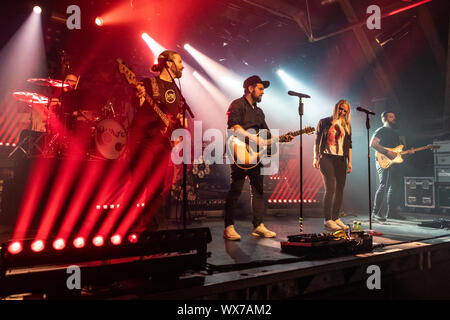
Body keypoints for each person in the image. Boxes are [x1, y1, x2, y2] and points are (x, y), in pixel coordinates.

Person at [223, 75, 292, 241]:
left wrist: (281, 139)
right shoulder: (237, 104)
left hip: (256, 156)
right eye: (260, 89)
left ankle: (258, 225)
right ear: (250, 88)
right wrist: (254, 139)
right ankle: (228, 227)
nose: (262, 93)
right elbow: (234, 127)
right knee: (236, 189)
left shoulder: (259, 112)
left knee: (258, 190)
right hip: (240, 151)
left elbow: (266, 135)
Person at [128, 50, 186, 231]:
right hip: (145, 141)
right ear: (169, 63)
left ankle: (149, 223)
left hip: (164, 143)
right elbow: (137, 108)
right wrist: (139, 97)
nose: (182, 65)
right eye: (179, 61)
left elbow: (176, 118)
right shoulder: (148, 83)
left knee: (157, 186)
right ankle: (131, 224)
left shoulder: (177, 90)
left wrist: (179, 126)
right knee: (139, 184)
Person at [313, 99, 353, 232]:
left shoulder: (347, 125)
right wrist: (315, 157)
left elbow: (349, 145)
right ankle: (327, 220)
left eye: (345, 110)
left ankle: (336, 218)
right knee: (331, 187)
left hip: (341, 159)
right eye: (340, 109)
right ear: (336, 108)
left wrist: (350, 162)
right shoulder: (324, 121)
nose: (342, 112)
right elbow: (317, 140)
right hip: (326, 157)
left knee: (340, 189)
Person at [370, 111, 413, 222]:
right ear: (384, 119)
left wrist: (407, 152)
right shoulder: (381, 130)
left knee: (395, 186)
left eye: (394, 117)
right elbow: (373, 144)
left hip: (395, 162)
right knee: (384, 185)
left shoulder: (395, 133)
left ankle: (392, 212)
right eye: (390, 117)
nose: (394, 119)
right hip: (383, 160)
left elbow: (397, 152)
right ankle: (375, 213)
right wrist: (387, 152)